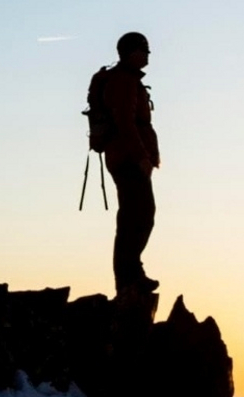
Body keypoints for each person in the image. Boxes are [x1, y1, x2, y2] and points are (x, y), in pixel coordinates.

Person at [103, 32, 160, 295]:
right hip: (128, 159)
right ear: (131, 52)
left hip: (127, 158)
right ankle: (129, 280)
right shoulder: (123, 81)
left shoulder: (128, 80)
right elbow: (125, 122)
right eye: (144, 48)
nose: (148, 53)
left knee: (138, 216)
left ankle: (132, 276)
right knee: (137, 217)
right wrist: (141, 158)